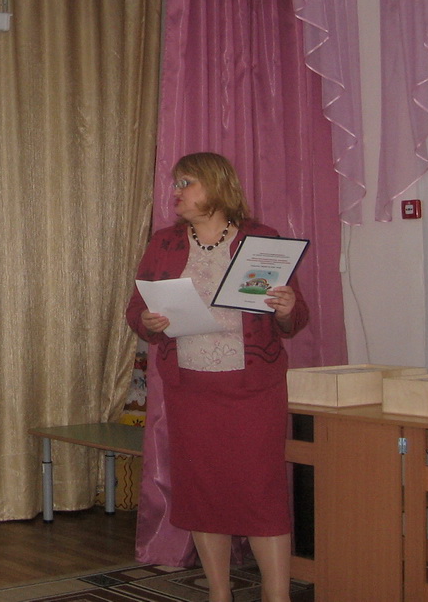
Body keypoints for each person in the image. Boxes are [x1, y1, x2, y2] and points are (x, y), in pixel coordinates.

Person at [125, 152, 309, 602]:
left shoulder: (262, 239)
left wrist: (286, 308)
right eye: (175, 183)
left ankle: (277, 595)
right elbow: (137, 309)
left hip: (253, 390)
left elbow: (294, 317)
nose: (176, 192)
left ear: (216, 185)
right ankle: (219, 594)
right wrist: (147, 321)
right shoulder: (165, 243)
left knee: (260, 492)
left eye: (185, 182)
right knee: (203, 493)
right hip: (191, 389)